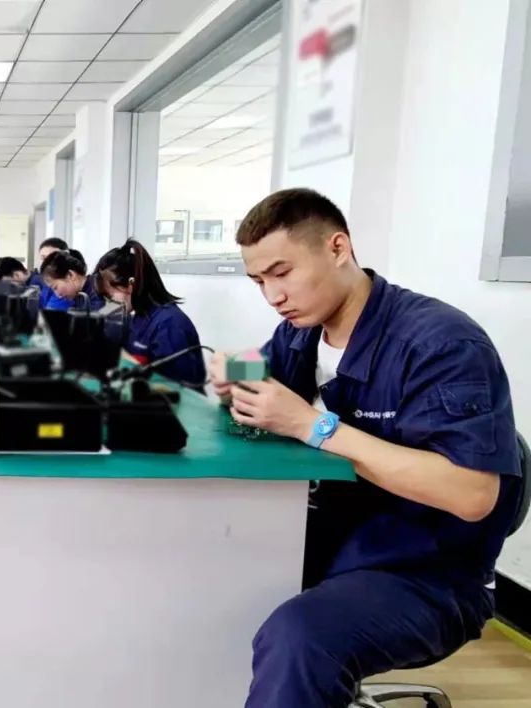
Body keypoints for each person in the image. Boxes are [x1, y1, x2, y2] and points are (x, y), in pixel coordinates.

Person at [207, 188, 522, 708]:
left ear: (338, 248)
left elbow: (472, 494)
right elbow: (263, 370)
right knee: (197, 568)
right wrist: (229, 372)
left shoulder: (441, 344)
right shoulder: (300, 332)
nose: (272, 296)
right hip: (329, 541)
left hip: (425, 573)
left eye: (282, 273)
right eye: (259, 281)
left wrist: (313, 426)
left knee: (302, 637)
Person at [95, 239, 205, 386]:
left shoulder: (170, 325)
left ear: (131, 284)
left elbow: (178, 387)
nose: (109, 303)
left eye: (109, 296)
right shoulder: (138, 317)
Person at [39, 249, 104, 311]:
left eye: (55, 288)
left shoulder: (98, 298)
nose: (58, 295)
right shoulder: (79, 296)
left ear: (70, 275)